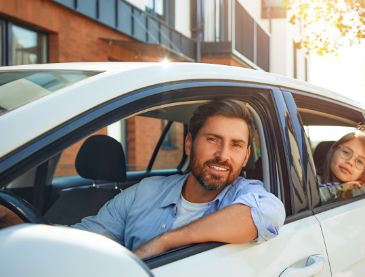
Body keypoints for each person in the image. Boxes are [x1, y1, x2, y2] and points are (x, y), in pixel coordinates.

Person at [74, 99, 286, 259]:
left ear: (246, 156)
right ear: (188, 144)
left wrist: (166, 242)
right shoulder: (144, 192)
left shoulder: (246, 194)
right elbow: (83, 242)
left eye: (236, 145)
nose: (223, 155)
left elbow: (269, 214)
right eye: (213, 139)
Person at [319, 131, 365, 202]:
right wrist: (341, 189)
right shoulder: (309, 182)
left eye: (359, 161)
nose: (350, 162)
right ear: (333, 150)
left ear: (364, 170)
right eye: (346, 152)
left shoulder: (363, 190)